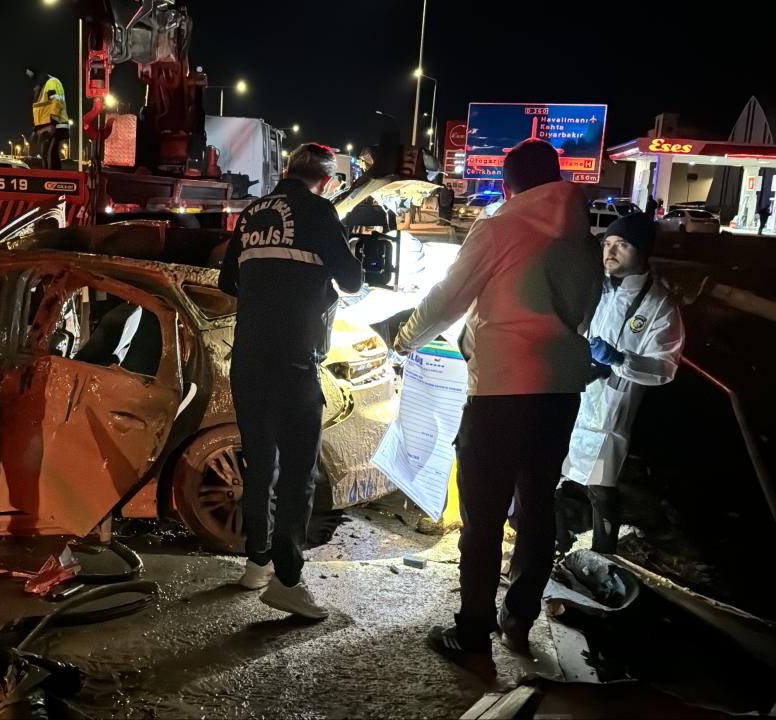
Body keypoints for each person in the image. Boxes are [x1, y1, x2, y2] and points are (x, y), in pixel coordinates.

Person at [393, 139, 602, 674]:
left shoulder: (499, 227)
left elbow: (448, 297)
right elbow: (585, 307)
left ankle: (471, 634)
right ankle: (519, 617)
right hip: (560, 392)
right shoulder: (582, 236)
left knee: (482, 517)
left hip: (503, 391)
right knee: (536, 508)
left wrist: (407, 339)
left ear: (507, 185)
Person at [218, 143, 363, 620]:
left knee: (261, 466)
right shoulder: (319, 212)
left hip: (248, 361)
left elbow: (227, 282)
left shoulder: (253, 211)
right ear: (326, 180)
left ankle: (256, 564)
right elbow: (354, 280)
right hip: (295, 362)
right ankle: (287, 580)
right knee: (300, 474)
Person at [561, 207, 685, 553]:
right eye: (608, 243)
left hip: (612, 411)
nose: (610, 252)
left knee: (601, 486)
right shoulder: (599, 288)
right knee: (559, 474)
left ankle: (603, 554)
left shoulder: (659, 305)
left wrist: (619, 359)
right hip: (578, 393)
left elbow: (665, 366)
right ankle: (558, 541)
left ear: (643, 252)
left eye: (622, 245)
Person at [31, 73, 69, 170]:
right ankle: (47, 178)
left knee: (50, 154)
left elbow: (56, 102)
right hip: (47, 126)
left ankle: (53, 178)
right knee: (45, 154)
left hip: (56, 125)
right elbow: (41, 111)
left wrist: (53, 122)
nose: (34, 89)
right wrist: (36, 129)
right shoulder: (43, 90)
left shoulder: (52, 83)